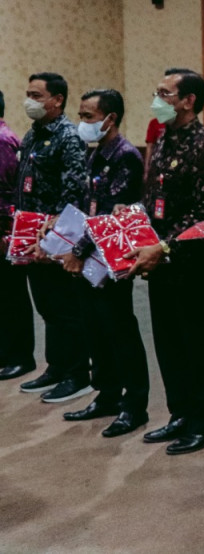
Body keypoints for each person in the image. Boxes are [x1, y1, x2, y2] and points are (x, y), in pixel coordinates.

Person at [125, 68, 204, 455]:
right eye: (156, 91)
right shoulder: (164, 139)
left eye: (165, 94)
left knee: (196, 343)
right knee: (167, 343)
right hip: (160, 261)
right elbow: (155, 203)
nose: (157, 99)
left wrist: (163, 247)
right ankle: (180, 414)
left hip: (192, 264)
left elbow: (200, 214)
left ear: (188, 101)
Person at [58, 89, 150, 437]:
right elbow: (87, 206)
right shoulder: (93, 153)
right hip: (87, 258)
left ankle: (134, 404)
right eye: (81, 116)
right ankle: (107, 394)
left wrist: (77, 251)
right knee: (94, 328)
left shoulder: (125, 156)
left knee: (119, 329)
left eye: (88, 117)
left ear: (110, 119)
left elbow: (113, 213)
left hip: (112, 258)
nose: (82, 123)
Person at [15, 72, 92, 403]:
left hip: (57, 234)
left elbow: (74, 190)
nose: (29, 101)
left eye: (36, 95)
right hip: (31, 233)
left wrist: (58, 235)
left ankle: (77, 373)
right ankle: (56, 366)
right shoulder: (32, 136)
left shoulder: (68, 137)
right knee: (46, 304)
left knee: (64, 307)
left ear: (57, 100)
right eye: (28, 94)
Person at [0, 88, 37, 382]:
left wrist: (4, 231)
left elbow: (6, 192)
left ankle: (19, 356)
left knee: (11, 294)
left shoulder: (2, 141)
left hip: (4, 230)